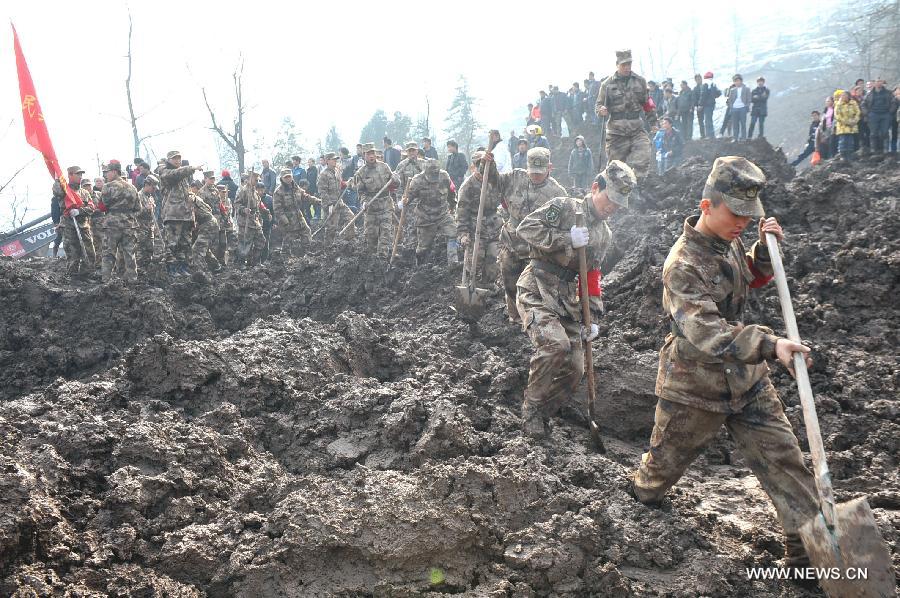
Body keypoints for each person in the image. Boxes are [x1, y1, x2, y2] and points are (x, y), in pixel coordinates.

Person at [631, 155, 819, 570]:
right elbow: (707, 332)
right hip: (694, 387)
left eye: (749, 215)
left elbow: (745, 276)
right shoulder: (681, 265)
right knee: (655, 479)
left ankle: (808, 558)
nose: (742, 222)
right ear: (706, 206)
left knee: (787, 463)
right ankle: (632, 517)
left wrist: (763, 252)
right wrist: (770, 344)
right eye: (735, 214)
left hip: (747, 381)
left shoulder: (727, 239)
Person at [515, 161, 636, 439]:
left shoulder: (604, 234)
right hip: (537, 286)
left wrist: (592, 316)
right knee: (554, 345)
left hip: (567, 298)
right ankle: (530, 411)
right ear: (596, 187)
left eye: (619, 204)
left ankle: (544, 413)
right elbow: (526, 228)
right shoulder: (565, 207)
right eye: (610, 200)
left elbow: (592, 275)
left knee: (575, 367)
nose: (612, 208)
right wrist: (564, 238)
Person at [490, 147, 567, 322]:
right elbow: (493, 179)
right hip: (510, 242)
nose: (535, 176)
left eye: (540, 173)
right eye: (533, 172)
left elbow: (560, 226)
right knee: (509, 283)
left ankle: (530, 321)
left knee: (531, 289)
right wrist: (487, 164)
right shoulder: (515, 177)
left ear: (549, 168)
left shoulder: (558, 194)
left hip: (536, 250)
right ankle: (514, 317)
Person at [596, 50, 655, 180]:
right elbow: (598, 105)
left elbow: (647, 104)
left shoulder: (640, 81)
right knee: (615, 169)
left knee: (643, 157)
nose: (627, 67)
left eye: (629, 64)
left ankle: (636, 186)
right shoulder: (607, 84)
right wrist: (601, 110)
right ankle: (614, 192)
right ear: (617, 65)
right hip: (616, 132)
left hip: (636, 129)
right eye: (624, 65)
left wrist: (653, 122)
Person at [455, 150, 503, 287]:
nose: (482, 168)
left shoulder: (494, 181)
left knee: (494, 260)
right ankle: (472, 287)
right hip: (475, 230)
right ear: (472, 167)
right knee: (475, 262)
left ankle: (489, 288)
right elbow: (461, 213)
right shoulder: (467, 186)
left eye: (485, 165)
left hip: (494, 228)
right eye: (479, 165)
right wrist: (463, 234)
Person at [351, 143, 399, 261]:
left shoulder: (384, 167)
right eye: (368, 154)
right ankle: (372, 263)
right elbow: (361, 192)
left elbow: (395, 184)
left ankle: (383, 259)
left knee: (386, 234)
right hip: (371, 208)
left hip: (386, 206)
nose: (371, 156)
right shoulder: (360, 173)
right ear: (364, 155)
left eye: (373, 153)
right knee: (371, 238)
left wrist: (395, 180)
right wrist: (364, 202)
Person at [405, 159, 458, 266]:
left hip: (443, 214)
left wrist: (452, 205)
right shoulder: (417, 181)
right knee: (424, 248)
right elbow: (408, 198)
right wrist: (404, 201)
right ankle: (420, 268)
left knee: (453, 233)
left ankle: (453, 263)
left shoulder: (444, 176)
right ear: (425, 172)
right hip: (425, 217)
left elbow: (451, 193)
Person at [160, 151, 204, 276]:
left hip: (185, 215)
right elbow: (174, 174)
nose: (177, 161)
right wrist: (191, 168)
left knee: (185, 244)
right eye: (174, 158)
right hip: (173, 215)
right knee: (172, 244)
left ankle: (182, 267)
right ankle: (171, 268)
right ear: (169, 160)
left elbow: (186, 193)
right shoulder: (165, 171)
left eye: (179, 158)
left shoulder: (184, 177)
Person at [98, 160, 140, 283]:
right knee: (129, 254)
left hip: (112, 225)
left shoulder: (108, 186)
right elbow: (138, 207)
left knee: (108, 253)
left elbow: (102, 207)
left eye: (108, 172)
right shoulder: (132, 187)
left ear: (114, 171)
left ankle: (106, 280)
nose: (106, 175)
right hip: (129, 225)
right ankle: (132, 279)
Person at [271, 169, 312, 257]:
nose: (288, 179)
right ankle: (284, 258)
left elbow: (304, 196)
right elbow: (277, 210)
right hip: (288, 220)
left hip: (299, 217)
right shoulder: (278, 192)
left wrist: (318, 201)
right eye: (286, 177)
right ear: (282, 179)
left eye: (289, 176)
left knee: (306, 232)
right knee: (288, 239)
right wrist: (285, 221)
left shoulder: (295, 187)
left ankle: (307, 252)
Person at [233, 171, 268, 267]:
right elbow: (236, 204)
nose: (257, 181)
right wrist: (243, 209)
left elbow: (257, 207)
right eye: (255, 179)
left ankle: (255, 262)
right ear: (249, 179)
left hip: (255, 221)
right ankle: (241, 263)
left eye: (258, 180)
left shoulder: (255, 192)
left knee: (261, 241)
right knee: (245, 243)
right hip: (245, 222)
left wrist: (264, 213)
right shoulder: (243, 190)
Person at [188, 181, 221, 273]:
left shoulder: (190, 197)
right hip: (209, 222)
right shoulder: (196, 197)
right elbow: (209, 208)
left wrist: (194, 223)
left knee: (196, 250)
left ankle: (201, 272)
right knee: (204, 248)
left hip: (208, 224)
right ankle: (216, 266)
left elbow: (192, 212)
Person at [862, 77, 896, 154]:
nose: (878, 83)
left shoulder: (888, 92)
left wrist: (890, 112)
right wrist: (867, 113)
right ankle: (873, 149)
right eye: (877, 81)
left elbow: (894, 102)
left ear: (882, 82)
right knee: (873, 133)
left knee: (885, 132)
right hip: (873, 114)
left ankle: (886, 149)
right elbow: (863, 104)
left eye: (880, 81)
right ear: (874, 83)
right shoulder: (869, 94)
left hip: (885, 114)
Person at [136, 175, 160, 269]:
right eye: (153, 187)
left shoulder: (150, 197)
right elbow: (135, 213)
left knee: (150, 248)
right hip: (141, 227)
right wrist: (146, 208)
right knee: (140, 249)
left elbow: (153, 213)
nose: (154, 190)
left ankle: (147, 268)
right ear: (147, 185)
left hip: (150, 226)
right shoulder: (138, 196)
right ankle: (139, 269)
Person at [835, 90, 861, 161]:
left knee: (850, 140)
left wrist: (854, 120)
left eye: (845, 95)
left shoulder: (853, 103)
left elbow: (858, 112)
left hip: (852, 125)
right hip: (842, 126)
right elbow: (837, 115)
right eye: (842, 95)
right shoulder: (838, 104)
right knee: (843, 141)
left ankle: (850, 155)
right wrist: (845, 121)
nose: (843, 97)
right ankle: (842, 155)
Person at [727, 75, 750, 141]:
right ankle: (735, 138)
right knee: (735, 124)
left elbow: (749, 98)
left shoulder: (746, 89)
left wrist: (746, 106)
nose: (737, 82)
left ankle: (743, 138)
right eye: (735, 81)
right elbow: (730, 100)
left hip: (743, 108)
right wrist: (731, 107)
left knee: (743, 123)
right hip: (734, 108)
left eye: (738, 81)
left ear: (741, 81)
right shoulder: (732, 90)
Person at [700, 72, 720, 138]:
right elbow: (718, 93)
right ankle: (711, 134)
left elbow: (703, 95)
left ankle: (709, 135)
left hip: (707, 104)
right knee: (710, 119)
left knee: (707, 120)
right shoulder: (713, 84)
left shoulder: (705, 84)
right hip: (712, 104)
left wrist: (700, 104)